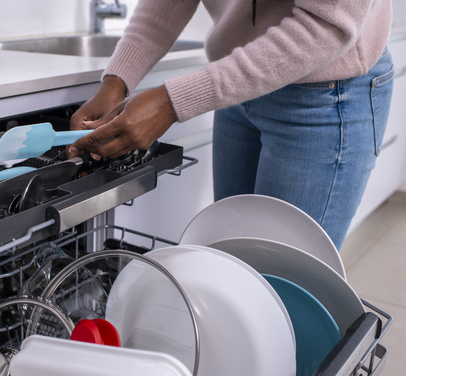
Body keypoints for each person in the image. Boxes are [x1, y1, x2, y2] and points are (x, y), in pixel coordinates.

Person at [67, 0, 395, 250]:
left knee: (286, 294)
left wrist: (172, 102)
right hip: (239, 88)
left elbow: (326, 23)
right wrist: (116, 81)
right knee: (232, 264)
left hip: (324, 95)